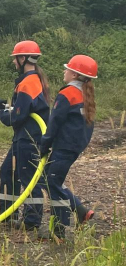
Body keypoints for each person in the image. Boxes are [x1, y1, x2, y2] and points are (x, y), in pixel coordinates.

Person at [0, 40, 51, 230]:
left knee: (28, 178)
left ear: (23, 58)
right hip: (22, 137)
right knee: (8, 172)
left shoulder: (28, 83)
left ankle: (31, 222)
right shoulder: (31, 80)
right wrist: (5, 107)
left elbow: (17, 117)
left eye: (15, 58)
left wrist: (0, 114)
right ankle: (7, 214)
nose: (14, 62)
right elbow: (23, 109)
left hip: (30, 139)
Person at [37, 55, 97, 240]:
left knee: (51, 182)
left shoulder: (67, 94)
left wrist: (44, 145)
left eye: (67, 69)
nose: (64, 71)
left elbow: (54, 123)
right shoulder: (84, 94)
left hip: (64, 147)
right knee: (49, 180)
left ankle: (67, 223)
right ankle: (70, 220)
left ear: (75, 74)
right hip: (73, 147)